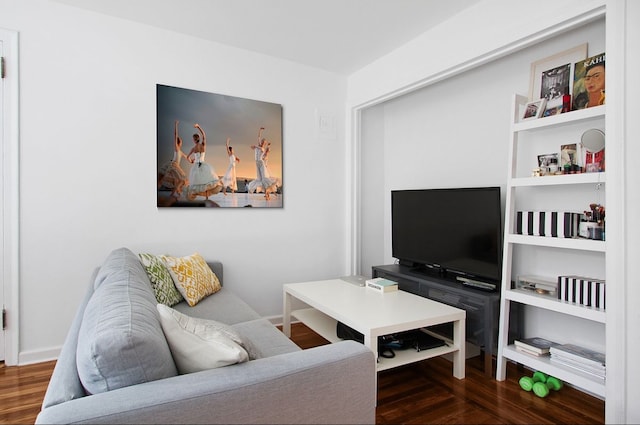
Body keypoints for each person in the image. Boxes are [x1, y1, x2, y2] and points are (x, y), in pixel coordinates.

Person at [185, 123, 222, 200]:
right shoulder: (203, 145)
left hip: (196, 167)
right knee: (206, 182)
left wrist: (191, 160)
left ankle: (194, 196)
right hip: (204, 165)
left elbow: (187, 157)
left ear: (194, 140)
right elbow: (204, 135)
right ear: (198, 139)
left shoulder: (193, 148)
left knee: (198, 183)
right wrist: (198, 127)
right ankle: (207, 197)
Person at [157, 120, 188, 199]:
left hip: (176, 165)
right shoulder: (177, 148)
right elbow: (175, 135)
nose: (181, 142)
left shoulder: (180, 151)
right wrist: (176, 125)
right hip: (173, 165)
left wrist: (192, 160)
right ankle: (175, 192)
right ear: (179, 143)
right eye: (180, 141)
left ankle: (176, 192)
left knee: (181, 180)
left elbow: (187, 158)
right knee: (181, 179)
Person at [248, 127, 278, 200]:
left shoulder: (262, 149)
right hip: (257, 164)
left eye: (263, 142)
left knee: (264, 179)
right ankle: (266, 194)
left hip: (261, 164)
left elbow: (259, 148)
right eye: (261, 141)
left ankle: (267, 194)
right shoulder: (259, 145)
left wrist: (255, 146)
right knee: (259, 179)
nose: (261, 142)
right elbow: (258, 137)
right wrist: (260, 130)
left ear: (264, 144)